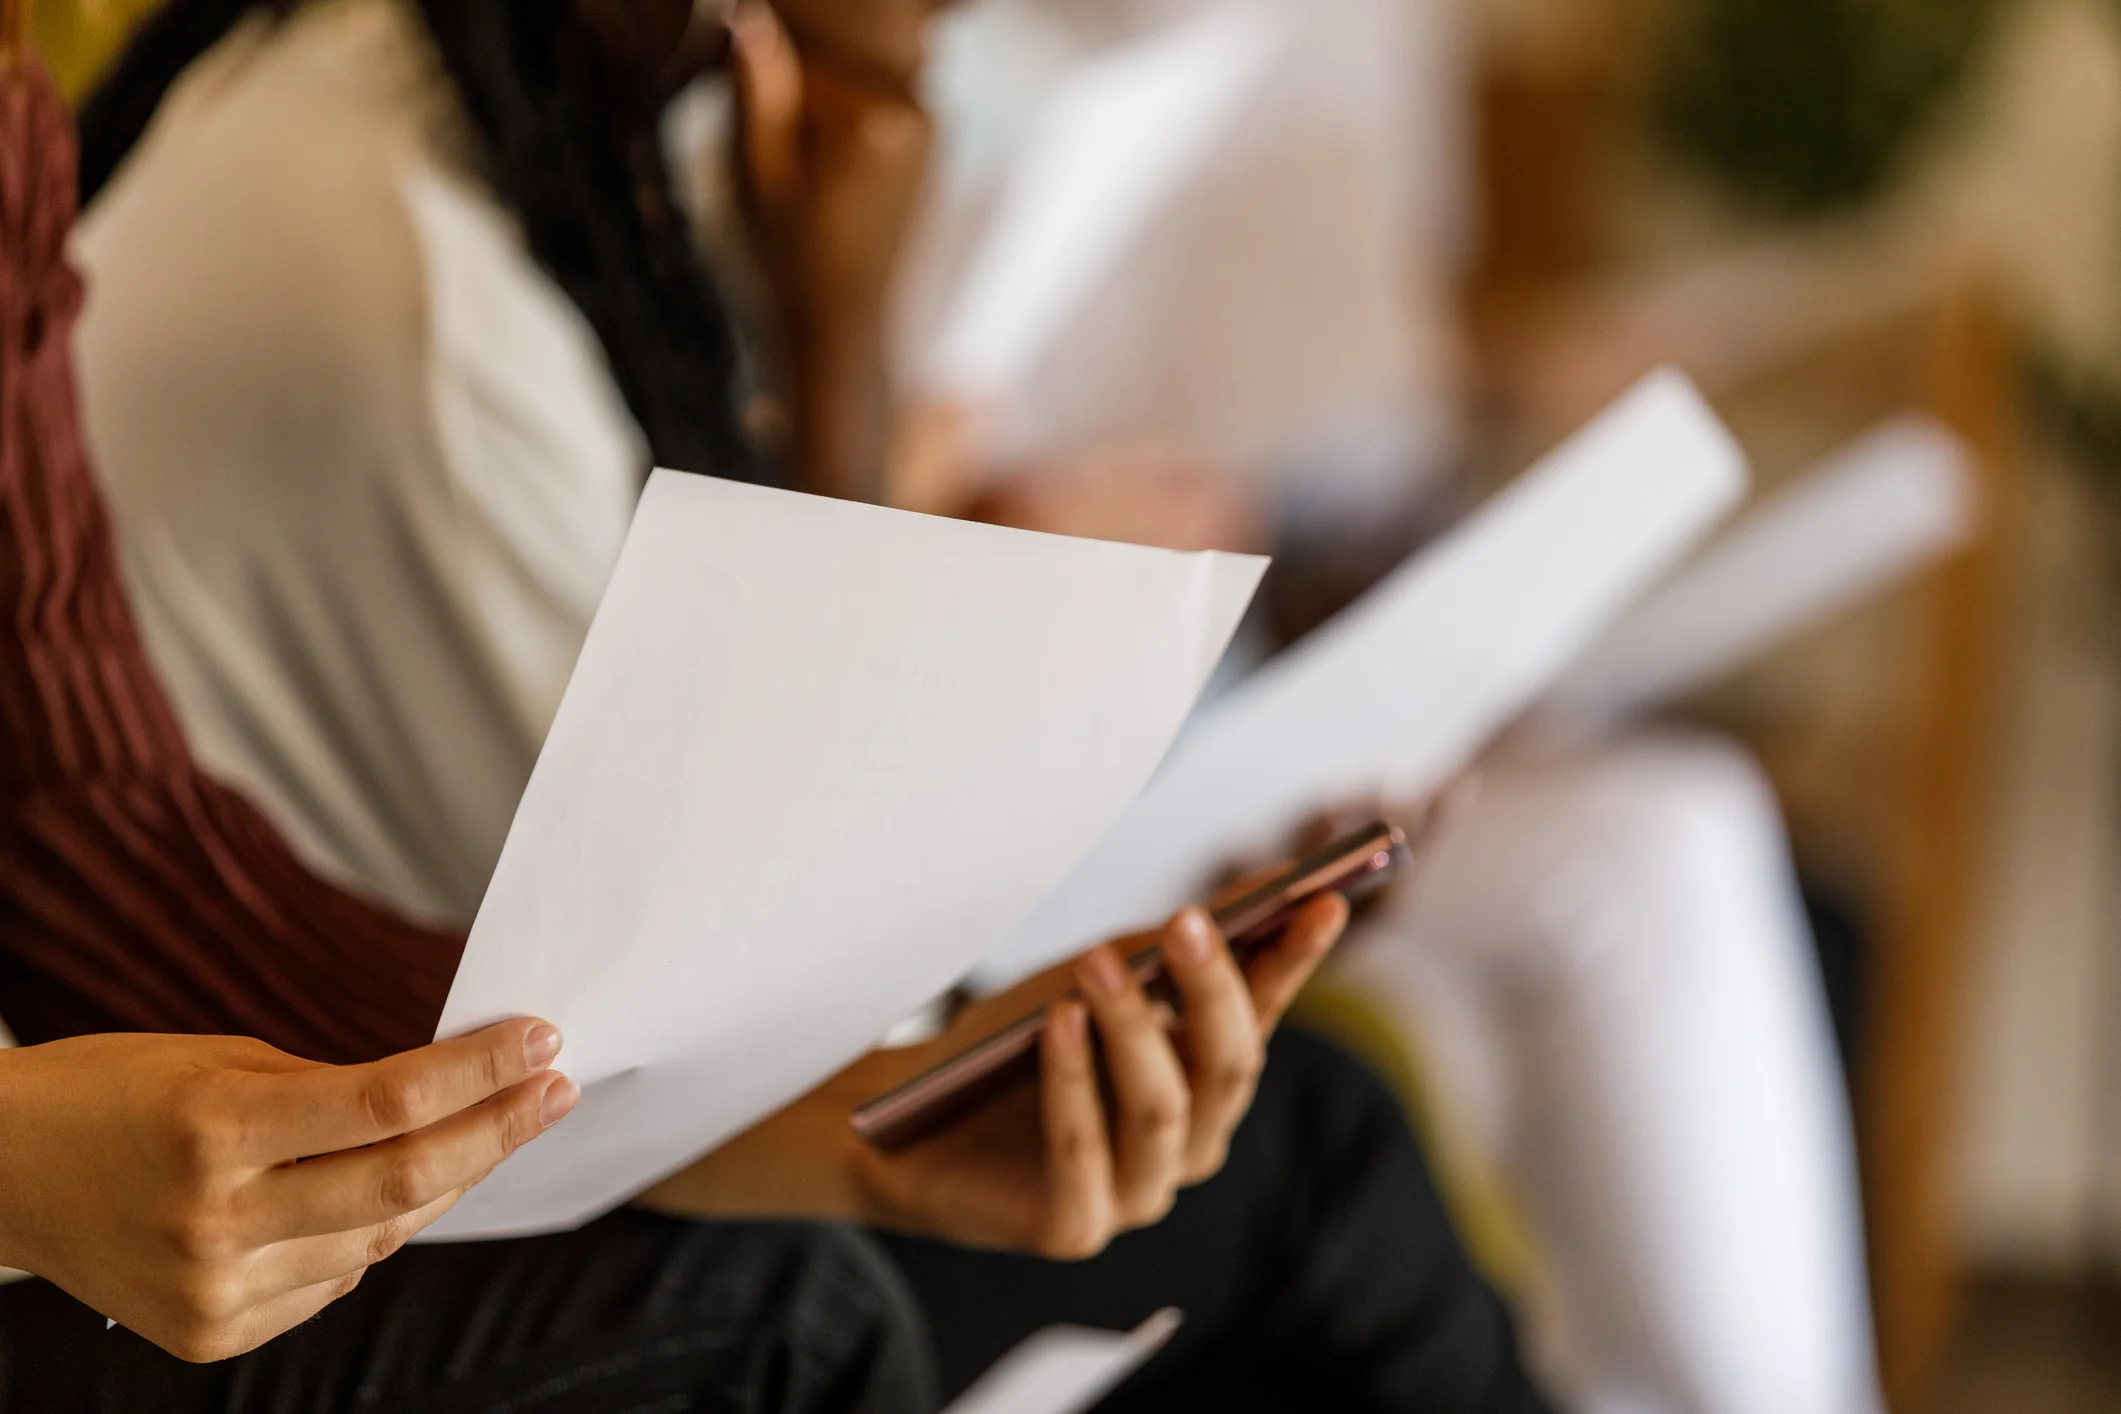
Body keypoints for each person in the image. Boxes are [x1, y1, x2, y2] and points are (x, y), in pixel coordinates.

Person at [12, 1, 1558, 1409]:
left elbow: (89, 830)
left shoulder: (611, 150)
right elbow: (738, 927)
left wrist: (864, 1123)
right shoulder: (410, 278)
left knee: (1285, 1153)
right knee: (801, 1308)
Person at [891, 4, 1884, 1413]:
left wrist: (1490, 394)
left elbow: (1346, 422)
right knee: (1657, 843)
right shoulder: (917, 76)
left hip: (1236, 670)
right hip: (1037, 749)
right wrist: (987, 513)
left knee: (1667, 839)